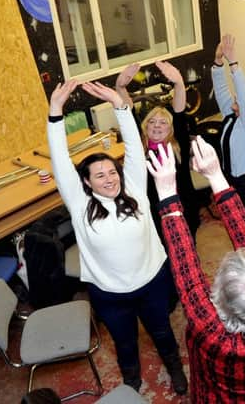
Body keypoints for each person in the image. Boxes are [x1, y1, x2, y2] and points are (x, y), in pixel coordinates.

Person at [47, 81, 187, 394]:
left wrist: (120, 106)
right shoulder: (80, 204)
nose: (109, 179)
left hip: (152, 283)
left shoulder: (135, 187)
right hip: (110, 295)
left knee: (163, 333)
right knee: (125, 344)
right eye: (99, 175)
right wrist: (55, 113)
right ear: (86, 182)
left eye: (112, 172)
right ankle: (132, 383)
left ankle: (175, 368)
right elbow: (59, 161)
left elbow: (136, 150)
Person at [146, 136, 245, 403]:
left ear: (217, 303)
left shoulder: (210, 330)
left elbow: (185, 267)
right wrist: (215, 175)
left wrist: (166, 192)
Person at [115, 61, 201, 242]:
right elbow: (128, 113)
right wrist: (120, 88)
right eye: (152, 122)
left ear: (171, 129)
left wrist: (178, 83)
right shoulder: (141, 151)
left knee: (187, 255)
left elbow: (178, 113)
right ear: (146, 127)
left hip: (183, 211)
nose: (157, 125)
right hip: (155, 215)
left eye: (163, 122)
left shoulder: (178, 146)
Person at [211, 34, 245, 225]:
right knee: (232, 226)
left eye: (239, 99)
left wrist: (233, 62)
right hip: (226, 180)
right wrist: (218, 61)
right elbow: (221, 89)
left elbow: (243, 94)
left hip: (244, 184)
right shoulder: (232, 115)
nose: (235, 99)